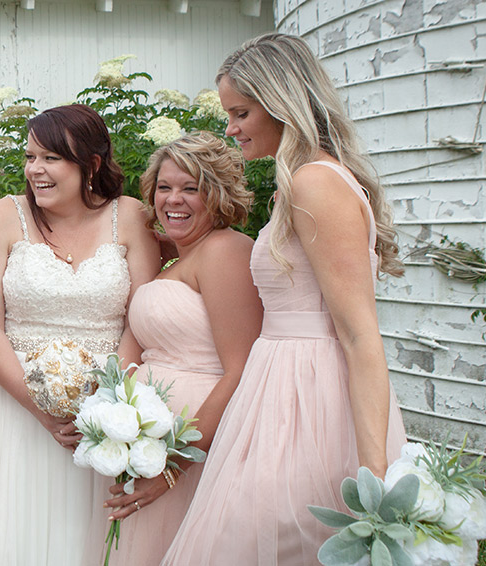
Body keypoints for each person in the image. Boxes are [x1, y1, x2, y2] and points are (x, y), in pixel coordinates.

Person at [162, 33, 407, 565]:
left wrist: (375, 480)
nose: (230, 128)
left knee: (272, 537)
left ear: (282, 102)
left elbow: (360, 333)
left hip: (310, 395)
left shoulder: (316, 184)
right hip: (276, 385)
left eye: (241, 112)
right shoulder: (295, 182)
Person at [0, 104, 160, 565]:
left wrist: (109, 400)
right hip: (14, 405)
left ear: (90, 164)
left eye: (50, 158)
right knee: (11, 538)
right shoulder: (2, 216)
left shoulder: (130, 217)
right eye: (30, 157)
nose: (35, 170)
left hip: (105, 407)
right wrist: (39, 407)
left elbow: (140, 319)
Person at [83, 132, 262, 565]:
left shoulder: (227, 252)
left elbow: (241, 371)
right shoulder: (177, 260)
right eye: (164, 187)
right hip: (146, 440)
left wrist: (173, 466)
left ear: (218, 195)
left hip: (193, 445)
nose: (173, 200)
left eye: (190, 188)